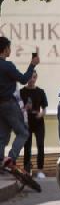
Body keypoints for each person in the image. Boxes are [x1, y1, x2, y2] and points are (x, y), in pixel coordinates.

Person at [0, 38, 37, 168]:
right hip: (9, 104)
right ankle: (11, 158)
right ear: (5, 49)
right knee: (23, 133)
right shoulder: (7, 66)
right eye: (9, 48)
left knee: (3, 136)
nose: (10, 50)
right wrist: (32, 65)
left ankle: (1, 162)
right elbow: (23, 79)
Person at [20, 70, 47, 178]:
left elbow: (44, 108)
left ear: (36, 78)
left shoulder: (40, 92)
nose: (32, 80)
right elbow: (18, 107)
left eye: (34, 77)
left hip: (38, 121)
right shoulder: (22, 92)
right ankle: (27, 170)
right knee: (27, 146)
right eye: (30, 77)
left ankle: (40, 170)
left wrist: (41, 114)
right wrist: (24, 109)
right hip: (27, 122)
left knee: (40, 145)